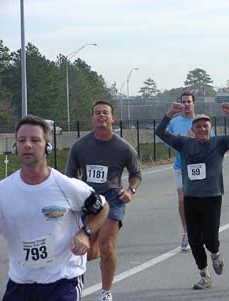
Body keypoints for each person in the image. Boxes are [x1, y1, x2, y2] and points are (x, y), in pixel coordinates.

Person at [0, 115, 109, 301]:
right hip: (21, 282)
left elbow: (103, 208)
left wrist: (85, 233)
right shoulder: (1, 191)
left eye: (35, 140)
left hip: (63, 280)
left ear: (47, 146)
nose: (28, 145)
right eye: (22, 140)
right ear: (15, 147)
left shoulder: (66, 186)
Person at [156, 102, 229, 290]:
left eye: (206, 126)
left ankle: (215, 254)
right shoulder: (184, 143)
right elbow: (160, 132)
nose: (202, 129)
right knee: (194, 239)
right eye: (198, 126)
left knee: (210, 238)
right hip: (191, 198)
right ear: (193, 130)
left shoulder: (219, 143)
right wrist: (170, 113)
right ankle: (205, 275)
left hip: (212, 197)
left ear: (210, 129)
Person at [66, 100, 142, 301]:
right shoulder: (80, 146)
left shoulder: (123, 147)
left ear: (112, 118)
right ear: (92, 118)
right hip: (87, 199)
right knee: (89, 253)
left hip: (112, 198)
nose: (101, 116)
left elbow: (136, 173)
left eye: (105, 113)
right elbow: (69, 175)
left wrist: (130, 191)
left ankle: (106, 292)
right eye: (97, 113)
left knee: (107, 245)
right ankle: (99, 256)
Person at [167, 92, 196, 251]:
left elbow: (210, 141)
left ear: (193, 104)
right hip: (181, 166)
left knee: (197, 201)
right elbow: (169, 142)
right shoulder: (174, 123)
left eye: (189, 102)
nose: (186, 104)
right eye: (183, 102)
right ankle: (187, 232)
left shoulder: (201, 121)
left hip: (198, 168)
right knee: (182, 200)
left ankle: (198, 230)